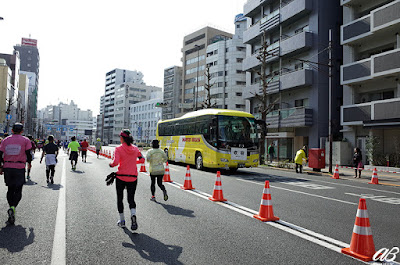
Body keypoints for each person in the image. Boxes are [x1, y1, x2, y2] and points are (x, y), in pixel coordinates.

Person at [109, 129, 143, 230]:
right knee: (131, 199)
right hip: (133, 177)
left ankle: (122, 220)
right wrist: (133, 163)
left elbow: (115, 162)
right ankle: (133, 215)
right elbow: (142, 159)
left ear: (122, 138)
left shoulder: (118, 149)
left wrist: (110, 165)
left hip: (121, 177)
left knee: (120, 199)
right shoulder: (136, 149)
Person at [0, 123, 32, 225]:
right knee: (18, 189)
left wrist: (1, 166)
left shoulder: (5, 140)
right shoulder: (25, 140)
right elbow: (28, 154)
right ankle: (13, 207)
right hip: (19, 167)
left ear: (12, 130)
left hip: (8, 167)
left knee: (10, 189)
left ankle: (11, 207)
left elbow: (0, 154)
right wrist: (29, 164)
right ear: (22, 131)